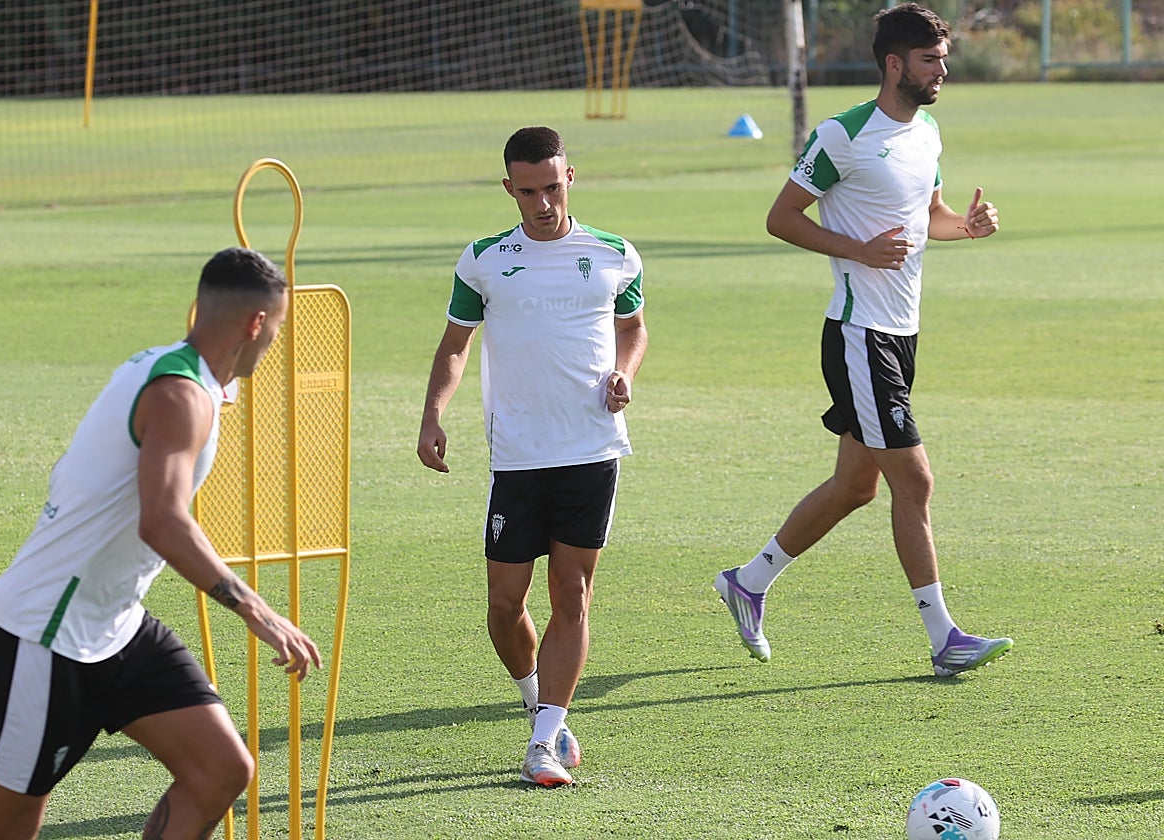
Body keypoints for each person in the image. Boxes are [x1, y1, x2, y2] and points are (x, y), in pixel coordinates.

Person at [0, 248, 322, 840]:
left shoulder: (177, 372)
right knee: (1, 828)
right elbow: (161, 522)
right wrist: (258, 613)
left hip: (116, 626)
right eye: (277, 329)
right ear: (257, 324)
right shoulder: (180, 395)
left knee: (220, 769)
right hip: (44, 634)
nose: (274, 343)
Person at [715, 4, 1012, 677]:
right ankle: (945, 639)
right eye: (931, 60)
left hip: (902, 332)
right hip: (859, 333)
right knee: (916, 480)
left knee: (856, 487)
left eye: (944, 59)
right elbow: (781, 217)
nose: (942, 71)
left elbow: (929, 215)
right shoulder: (842, 135)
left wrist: (968, 226)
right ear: (894, 63)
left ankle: (748, 582)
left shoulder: (928, 130)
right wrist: (858, 249)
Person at [418, 126, 648, 787]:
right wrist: (433, 414)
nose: (543, 203)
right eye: (528, 192)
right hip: (516, 454)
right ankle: (537, 704)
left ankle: (545, 740)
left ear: (570, 177)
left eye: (552, 187)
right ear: (509, 189)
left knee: (571, 593)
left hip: (590, 447)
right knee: (502, 603)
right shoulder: (485, 259)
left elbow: (632, 328)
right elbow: (456, 346)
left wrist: (625, 372)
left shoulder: (613, 254)